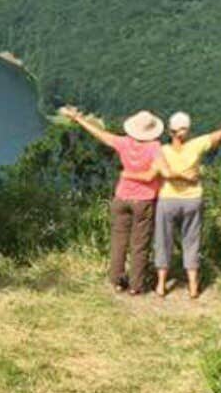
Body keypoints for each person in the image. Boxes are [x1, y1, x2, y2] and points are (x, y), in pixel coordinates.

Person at [148, 101, 221, 299]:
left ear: (170, 131)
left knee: (163, 241)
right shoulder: (196, 145)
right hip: (192, 200)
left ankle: (161, 285)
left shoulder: (161, 151)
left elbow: (159, 173)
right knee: (191, 241)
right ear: (186, 131)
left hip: (167, 200)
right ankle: (193, 286)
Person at [59, 105, 164, 295]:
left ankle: (116, 281)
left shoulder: (124, 143)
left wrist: (78, 119)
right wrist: (133, 174)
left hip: (121, 197)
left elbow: (101, 135)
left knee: (118, 241)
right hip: (143, 200)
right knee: (139, 244)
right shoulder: (155, 148)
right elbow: (150, 176)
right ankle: (136, 286)